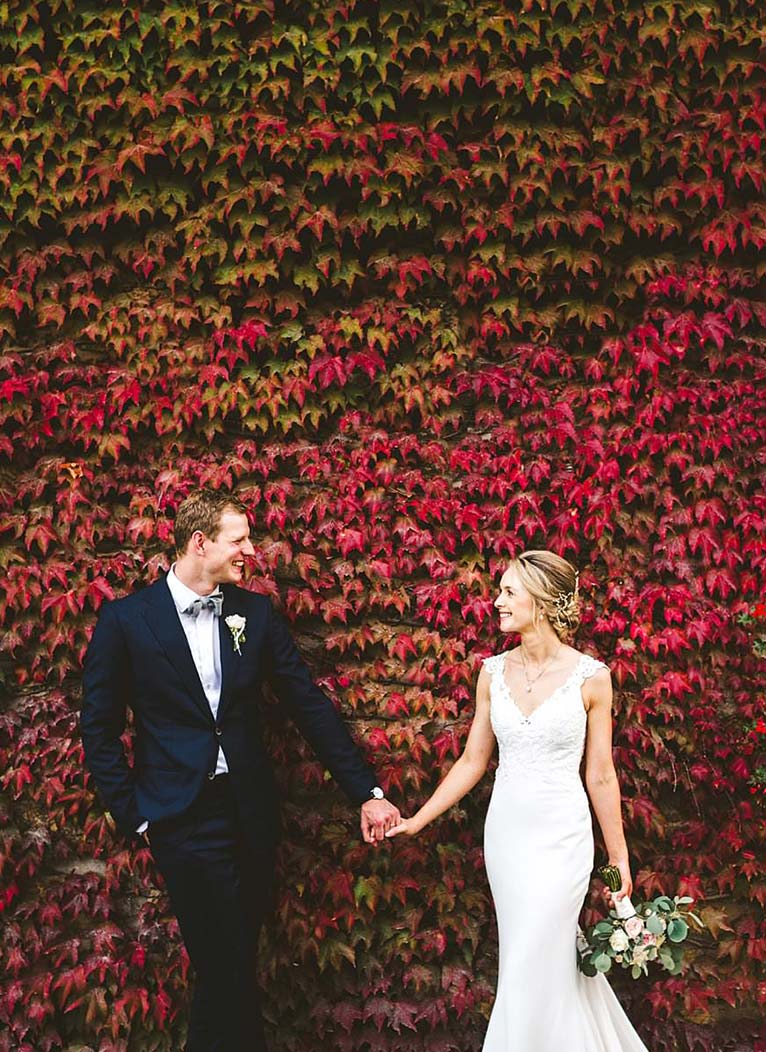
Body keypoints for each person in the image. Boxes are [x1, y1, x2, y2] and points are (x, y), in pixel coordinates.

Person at [81, 488, 400, 1052]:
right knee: (226, 961)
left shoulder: (253, 613)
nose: (251, 550)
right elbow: (99, 729)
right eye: (240, 539)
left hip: (249, 814)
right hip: (179, 818)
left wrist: (366, 791)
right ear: (200, 543)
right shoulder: (127, 620)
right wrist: (138, 816)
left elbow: (306, 704)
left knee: (228, 964)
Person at [387, 550, 649, 1051]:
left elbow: (600, 774)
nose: (496, 601)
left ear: (544, 602)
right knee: (530, 964)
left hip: (563, 839)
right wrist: (418, 819)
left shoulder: (592, 677)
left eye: (509, 592)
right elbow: (471, 761)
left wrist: (618, 860)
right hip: (507, 837)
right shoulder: (492, 672)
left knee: (537, 955)